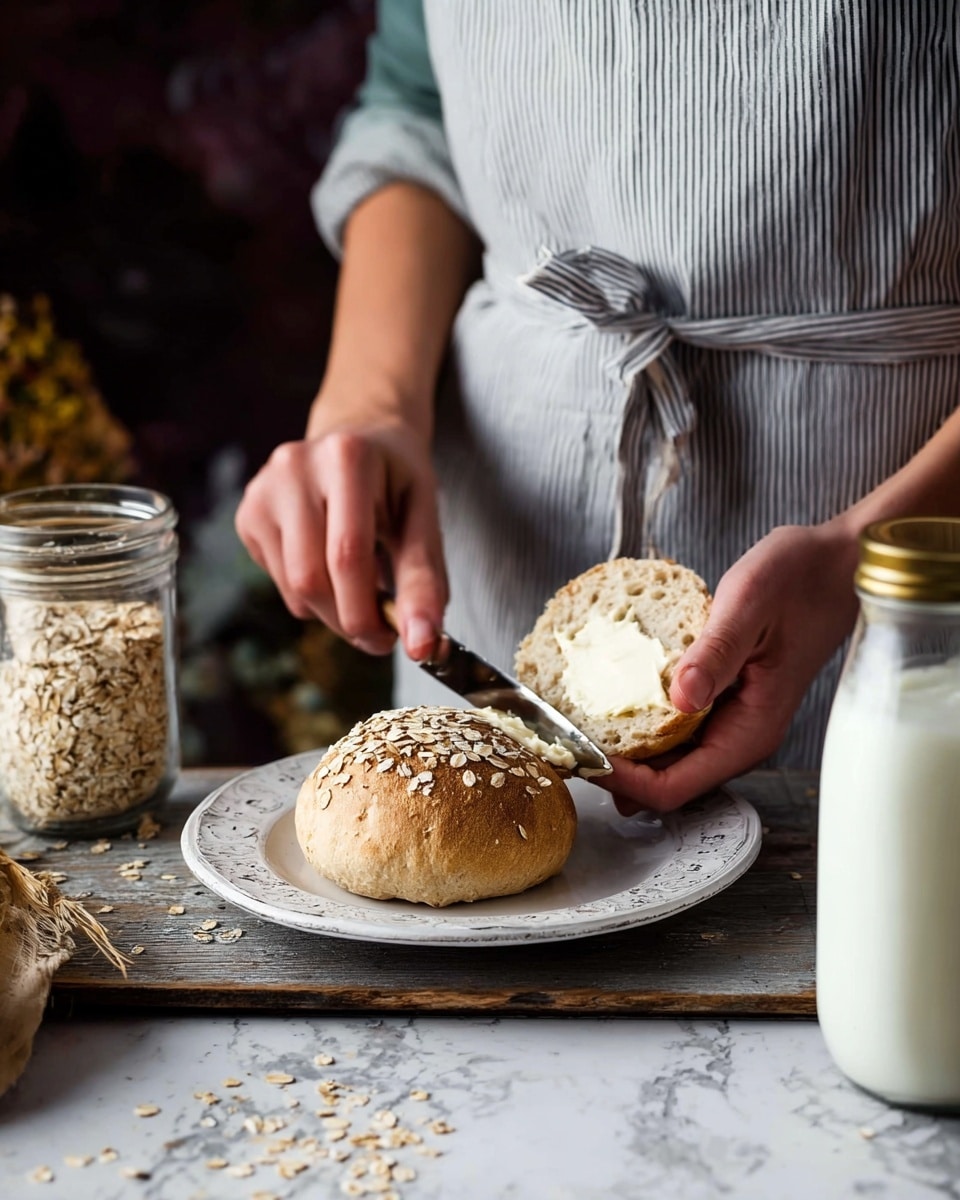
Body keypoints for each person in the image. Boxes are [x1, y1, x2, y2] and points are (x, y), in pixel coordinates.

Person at [236, 1, 960, 812]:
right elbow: (417, 111)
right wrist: (372, 406)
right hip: (498, 527)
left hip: (909, 565)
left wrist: (870, 563)